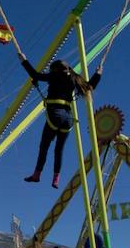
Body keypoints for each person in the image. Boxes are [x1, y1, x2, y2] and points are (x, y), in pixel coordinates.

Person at [18, 54, 102, 188]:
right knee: (59, 150)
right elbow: (90, 86)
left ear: (55, 69)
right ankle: (56, 179)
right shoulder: (75, 78)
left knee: (44, 146)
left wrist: (23, 60)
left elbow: (35, 74)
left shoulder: (54, 75)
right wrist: (98, 74)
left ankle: (37, 174)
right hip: (68, 119)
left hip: (55, 115)